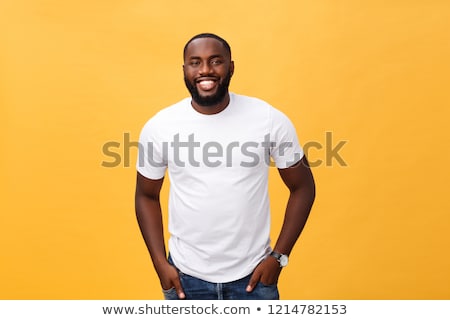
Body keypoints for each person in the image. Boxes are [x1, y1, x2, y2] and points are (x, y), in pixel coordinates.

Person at [135, 33, 315, 300]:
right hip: (186, 278)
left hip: (254, 279)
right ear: (184, 70)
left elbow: (303, 187)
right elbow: (146, 195)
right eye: (195, 62)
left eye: (215, 61)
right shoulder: (161, 126)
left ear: (231, 67)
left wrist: (279, 257)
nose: (205, 70)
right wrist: (160, 263)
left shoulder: (267, 119)